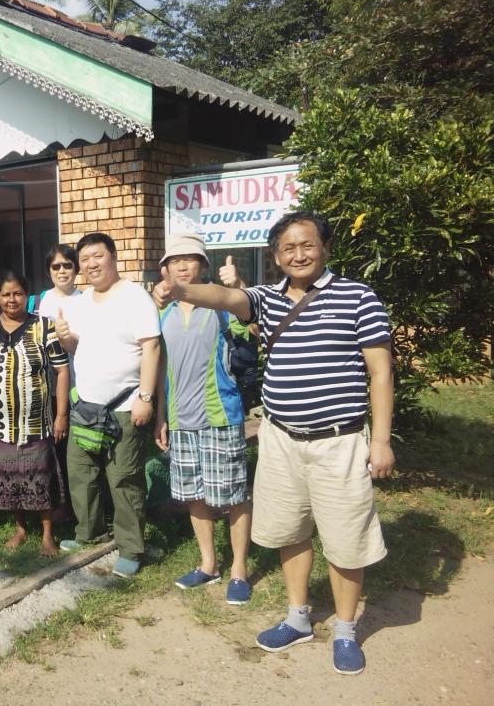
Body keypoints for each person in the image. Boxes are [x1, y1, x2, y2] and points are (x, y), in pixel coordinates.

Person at [158, 212, 394, 675]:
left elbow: (380, 372)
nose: (298, 254)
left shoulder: (358, 297)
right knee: (291, 531)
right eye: (288, 248)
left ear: (324, 246)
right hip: (281, 439)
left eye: (306, 245)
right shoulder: (265, 299)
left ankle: (345, 630)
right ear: (275, 256)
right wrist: (180, 290)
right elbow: (226, 296)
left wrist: (380, 440)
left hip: (339, 442)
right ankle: (298, 616)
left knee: (345, 542)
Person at [152, 232, 254, 605]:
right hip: (181, 419)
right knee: (195, 494)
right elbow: (160, 367)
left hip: (219, 415)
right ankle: (209, 564)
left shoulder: (221, 303)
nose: (182, 265)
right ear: (164, 269)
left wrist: (240, 286)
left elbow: (254, 327)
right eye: (174, 261)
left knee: (233, 494)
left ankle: (239, 569)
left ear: (203, 266)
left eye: (190, 259)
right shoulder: (161, 312)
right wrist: (161, 415)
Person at [54, 232, 161, 578]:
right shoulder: (81, 302)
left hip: (125, 405)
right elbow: (77, 348)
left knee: (123, 478)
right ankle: (89, 531)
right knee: (81, 471)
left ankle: (131, 547)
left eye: (97, 256)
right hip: (86, 405)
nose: (91, 264)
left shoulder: (134, 297)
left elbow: (152, 347)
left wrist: (145, 398)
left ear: (113, 257)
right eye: (85, 259)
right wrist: (64, 336)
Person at [0, 271, 70, 557]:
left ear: (27, 295)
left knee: (40, 475)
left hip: (35, 423)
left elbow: (61, 371)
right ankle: (21, 528)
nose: (12, 299)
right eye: (6, 294)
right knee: (9, 476)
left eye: (18, 293)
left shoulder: (43, 327)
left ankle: (48, 534)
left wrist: (61, 415)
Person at [36, 244, 82, 520]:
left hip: (82, 383)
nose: (62, 271)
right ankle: (59, 504)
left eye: (67, 265)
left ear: (76, 268)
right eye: (56, 266)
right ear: (49, 271)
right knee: (56, 445)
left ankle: (81, 506)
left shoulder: (86, 298)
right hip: (51, 386)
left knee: (78, 446)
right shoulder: (43, 301)